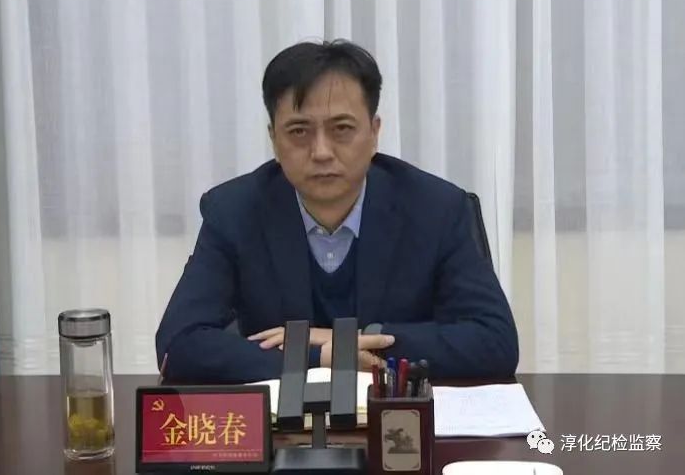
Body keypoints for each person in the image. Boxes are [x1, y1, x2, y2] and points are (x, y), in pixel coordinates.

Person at [155, 39, 518, 383]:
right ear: (274, 139)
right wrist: (317, 357)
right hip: (283, 420)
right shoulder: (233, 212)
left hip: (393, 415)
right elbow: (176, 345)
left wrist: (349, 341)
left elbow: (496, 341)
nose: (321, 152)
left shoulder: (436, 209)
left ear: (374, 132)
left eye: (342, 129)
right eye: (299, 131)